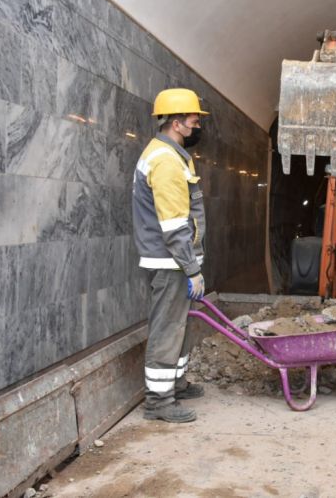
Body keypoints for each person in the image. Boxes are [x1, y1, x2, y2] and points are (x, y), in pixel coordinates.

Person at [133, 88, 209, 423]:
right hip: (171, 262)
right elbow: (174, 224)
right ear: (177, 123)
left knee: (179, 326)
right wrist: (191, 268)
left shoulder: (172, 154)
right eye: (193, 122)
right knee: (167, 327)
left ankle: (174, 384)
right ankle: (158, 402)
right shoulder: (165, 161)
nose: (196, 128)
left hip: (175, 260)